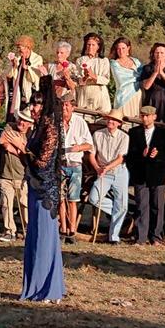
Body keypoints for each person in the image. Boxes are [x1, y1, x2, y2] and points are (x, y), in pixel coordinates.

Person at [20, 76, 64, 303]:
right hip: (35, 188)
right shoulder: (39, 127)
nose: (33, 108)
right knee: (35, 237)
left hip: (46, 190)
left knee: (46, 239)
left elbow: (43, 162)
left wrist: (22, 149)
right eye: (32, 104)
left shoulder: (51, 129)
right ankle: (37, 287)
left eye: (37, 104)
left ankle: (48, 289)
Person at [127, 105, 165, 245]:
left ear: (154, 117)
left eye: (147, 115)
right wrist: (142, 155)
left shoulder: (163, 134)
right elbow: (130, 154)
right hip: (140, 173)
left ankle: (156, 236)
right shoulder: (134, 132)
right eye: (142, 115)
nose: (145, 118)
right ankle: (141, 237)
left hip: (157, 174)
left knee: (157, 206)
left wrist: (157, 156)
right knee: (142, 205)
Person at [89, 109, 130, 244]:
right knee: (94, 198)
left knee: (121, 203)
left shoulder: (124, 137)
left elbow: (120, 159)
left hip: (119, 171)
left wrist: (106, 168)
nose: (110, 122)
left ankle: (114, 237)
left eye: (114, 120)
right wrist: (97, 168)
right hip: (102, 172)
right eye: (109, 119)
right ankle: (119, 212)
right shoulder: (98, 134)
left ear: (119, 123)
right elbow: (92, 155)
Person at [59, 93, 93, 242]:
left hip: (75, 165)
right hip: (60, 164)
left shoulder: (80, 123)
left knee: (73, 199)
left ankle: (72, 230)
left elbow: (90, 145)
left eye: (67, 105)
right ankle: (63, 229)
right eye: (63, 104)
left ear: (73, 107)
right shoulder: (57, 122)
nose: (64, 107)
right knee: (60, 199)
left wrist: (78, 147)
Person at [0, 110, 33, 242]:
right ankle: (9, 231)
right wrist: (16, 149)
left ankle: (27, 230)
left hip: (23, 176)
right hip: (6, 174)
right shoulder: (9, 126)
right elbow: (2, 140)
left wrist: (20, 146)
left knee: (25, 204)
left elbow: (29, 156)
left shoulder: (31, 135)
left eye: (25, 121)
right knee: (6, 204)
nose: (21, 122)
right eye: (20, 119)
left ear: (30, 123)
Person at [5, 35, 44, 119]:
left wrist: (27, 68)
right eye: (18, 48)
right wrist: (14, 66)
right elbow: (9, 75)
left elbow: (36, 77)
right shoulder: (18, 59)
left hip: (30, 95)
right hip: (18, 94)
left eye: (21, 47)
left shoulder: (37, 58)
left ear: (28, 47)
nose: (19, 50)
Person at [140, 43, 165, 125]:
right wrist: (155, 73)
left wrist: (162, 73)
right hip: (152, 99)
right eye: (156, 52)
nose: (159, 55)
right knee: (152, 123)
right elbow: (146, 86)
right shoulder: (147, 68)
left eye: (162, 53)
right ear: (153, 54)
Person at [76, 33, 111, 113]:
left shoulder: (104, 61)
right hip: (85, 92)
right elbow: (78, 80)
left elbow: (106, 80)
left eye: (93, 45)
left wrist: (94, 76)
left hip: (99, 92)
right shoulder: (80, 60)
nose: (90, 47)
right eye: (88, 45)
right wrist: (85, 77)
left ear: (98, 47)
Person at [109, 37, 142, 119]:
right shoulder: (114, 63)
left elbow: (144, 76)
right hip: (123, 96)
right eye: (118, 49)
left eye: (123, 48)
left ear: (128, 48)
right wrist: (137, 78)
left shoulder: (136, 61)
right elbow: (121, 80)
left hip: (137, 95)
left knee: (135, 121)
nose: (121, 51)